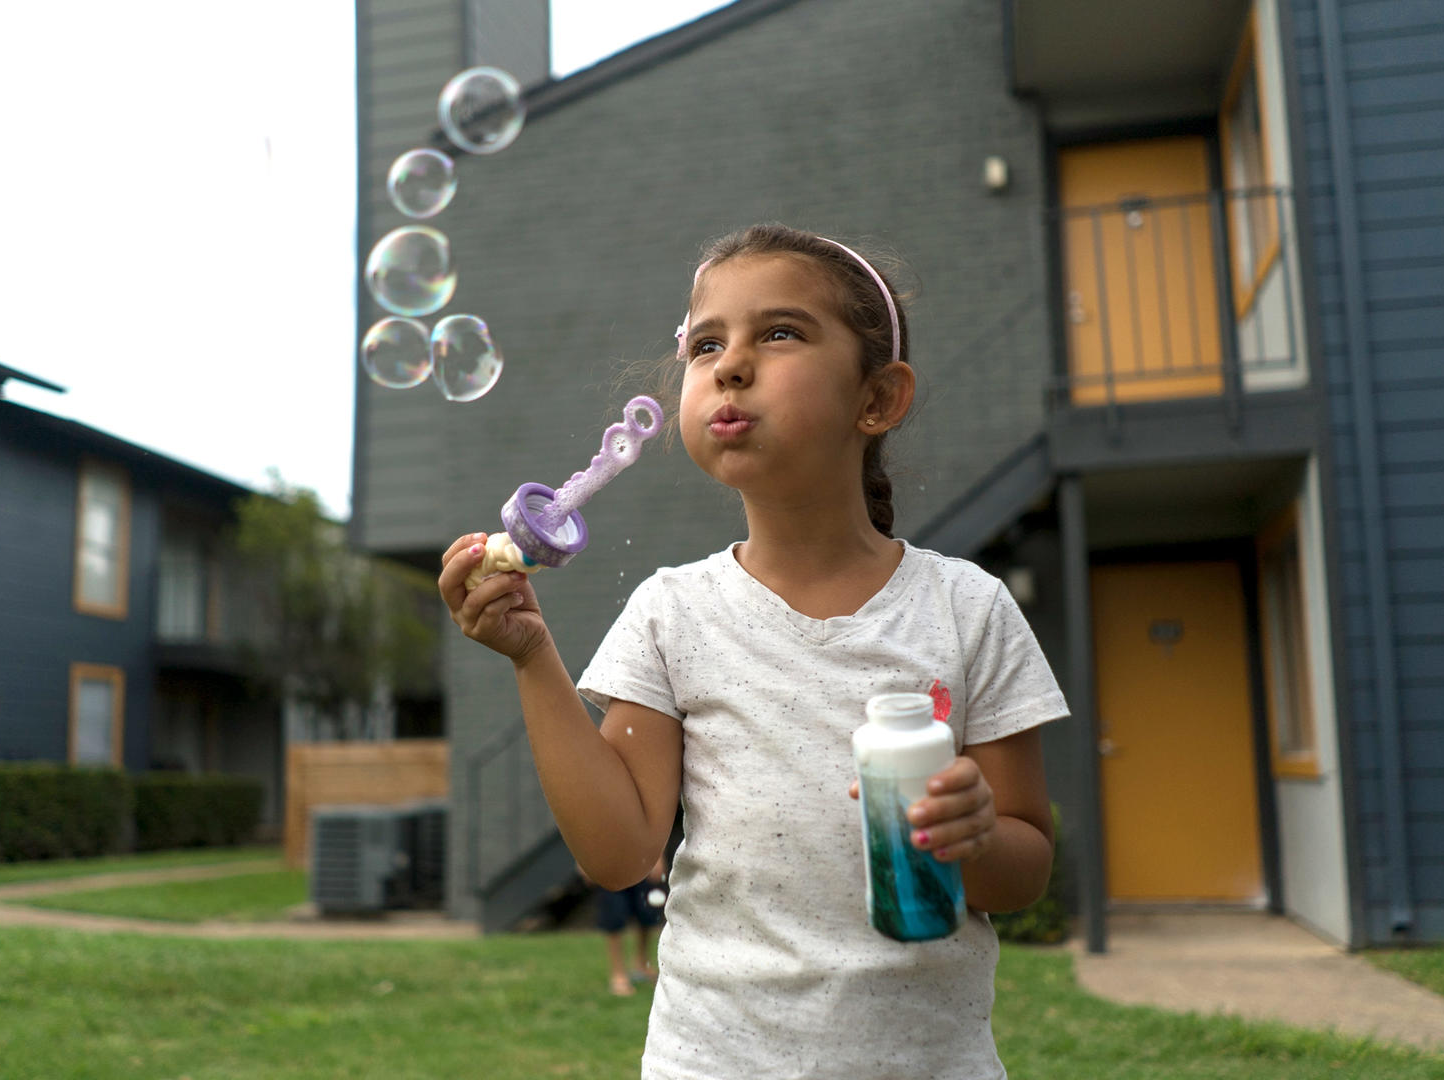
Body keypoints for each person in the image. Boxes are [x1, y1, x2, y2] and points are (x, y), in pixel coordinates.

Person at [440, 223, 1066, 1080]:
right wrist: (530, 655)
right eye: (706, 343)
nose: (730, 363)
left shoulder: (967, 609)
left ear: (876, 399)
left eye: (779, 333)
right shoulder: (671, 613)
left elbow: (1024, 869)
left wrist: (979, 839)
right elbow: (619, 852)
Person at [583, 853, 668, 997]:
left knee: (647, 912)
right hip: (608, 860)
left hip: (642, 856)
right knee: (614, 914)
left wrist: (657, 856)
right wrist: (583, 860)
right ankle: (618, 973)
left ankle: (642, 964)